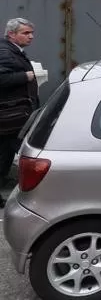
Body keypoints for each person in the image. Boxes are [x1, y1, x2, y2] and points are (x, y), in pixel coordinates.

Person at [0, 18, 39, 208]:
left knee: (8, 154)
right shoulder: (5, 52)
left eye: (31, 33)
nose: (31, 36)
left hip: (13, 116)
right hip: (9, 117)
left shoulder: (12, 50)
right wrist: (25, 76)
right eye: (25, 33)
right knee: (6, 155)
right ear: (11, 34)